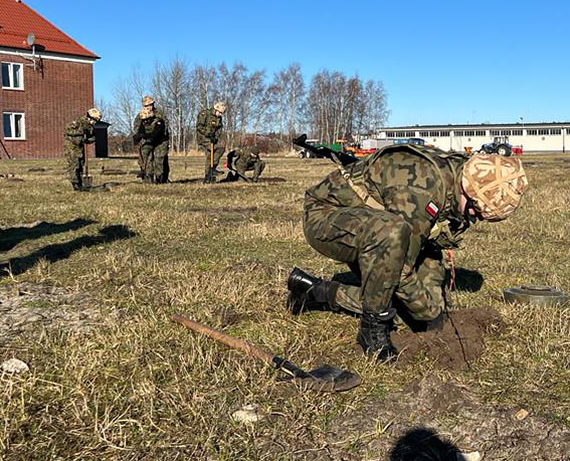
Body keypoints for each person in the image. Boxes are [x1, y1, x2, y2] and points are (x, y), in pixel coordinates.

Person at [286, 145, 528, 362]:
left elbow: (430, 240)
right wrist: (422, 308)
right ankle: (370, 325)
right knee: (394, 246)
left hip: (372, 224)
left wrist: (432, 304)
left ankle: (310, 290)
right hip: (326, 216)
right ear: (470, 192)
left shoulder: (458, 175)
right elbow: (400, 268)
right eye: (475, 213)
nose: (473, 220)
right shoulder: (423, 189)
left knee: (426, 308)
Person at [133, 96, 170, 184]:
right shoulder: (140, 115)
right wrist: (138, 138)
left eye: (151, 104)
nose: (149, 107)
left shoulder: (159, 114)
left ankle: (161, 179)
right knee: (145, 158)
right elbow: (137, 129)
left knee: (159, 158)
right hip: (147, 140)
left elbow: (163, 128)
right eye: (147, 105)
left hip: (160, 140)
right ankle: (147, 179)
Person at [63, 108, 102, 191]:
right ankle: (75, 183)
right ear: (89, 118)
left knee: (81, 163)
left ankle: (80, 182)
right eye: (94, 120)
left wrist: (89, 140)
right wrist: (81, 134)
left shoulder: (90, 126)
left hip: (80, 146)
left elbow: (93, 136)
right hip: (72, 147)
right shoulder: (78, 123)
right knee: (74, 164)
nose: (95, 122)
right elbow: (67, 131)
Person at [196, 102, 226, 183]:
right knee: (218, 148)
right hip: (203, 138)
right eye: (219, 112)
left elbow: (219, 129)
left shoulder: (219, 118)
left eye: (222, 113)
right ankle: (211, 170)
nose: (220, 115)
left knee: (210, 156)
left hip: (212, 138)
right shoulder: (205, 114)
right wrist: (209, 134)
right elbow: (199, 127)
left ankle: (208, 177)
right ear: (215, 109)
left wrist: (215, 136)